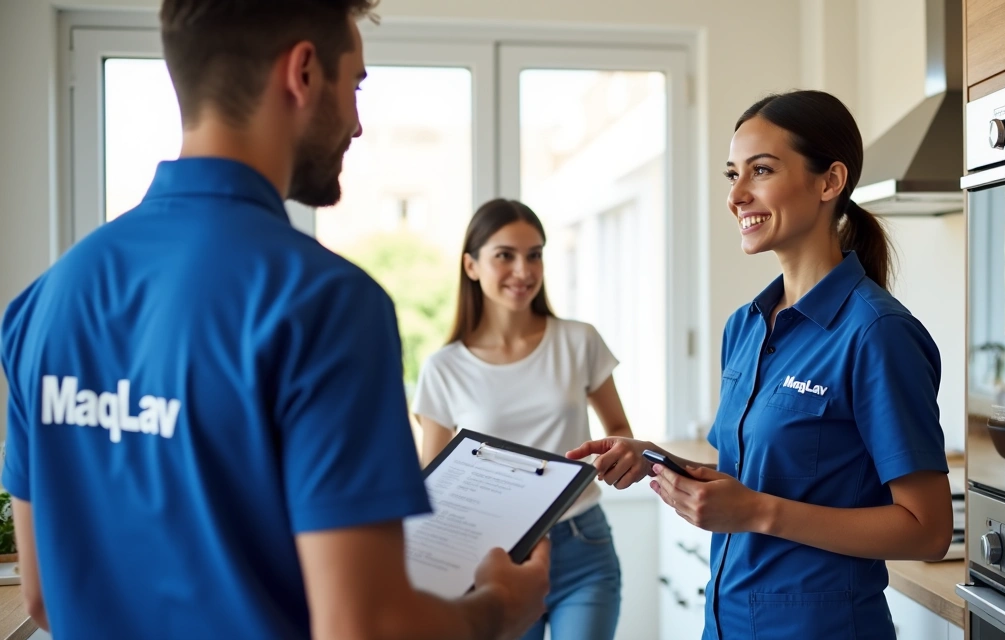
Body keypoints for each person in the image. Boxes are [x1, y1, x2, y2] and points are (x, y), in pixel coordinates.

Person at [0, 2, 548, 639]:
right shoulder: (325, 303)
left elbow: (42, 594)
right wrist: (500, 609)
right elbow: (365, 628)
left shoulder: (43, 302)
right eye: (356, 87)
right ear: (305, 73)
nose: (358, 124)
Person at [567, 90, 953, 639]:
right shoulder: (745, 327)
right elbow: (752, 480)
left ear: (829, 181)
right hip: (728, 624)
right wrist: (656, 460)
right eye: (732, 175)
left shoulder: (876, 333)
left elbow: (927, 530)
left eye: (761, 170)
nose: (737, 195)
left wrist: (755, 513)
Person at [413, 198, 633, 640]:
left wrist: (618, 458)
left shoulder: (578, 341)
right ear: (471, 266)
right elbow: (434, 486)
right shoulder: (444, 368)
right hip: (495, 558)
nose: (523, 270)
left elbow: (619, 431)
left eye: (535, 255)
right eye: (505, 256)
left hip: (583, 543)